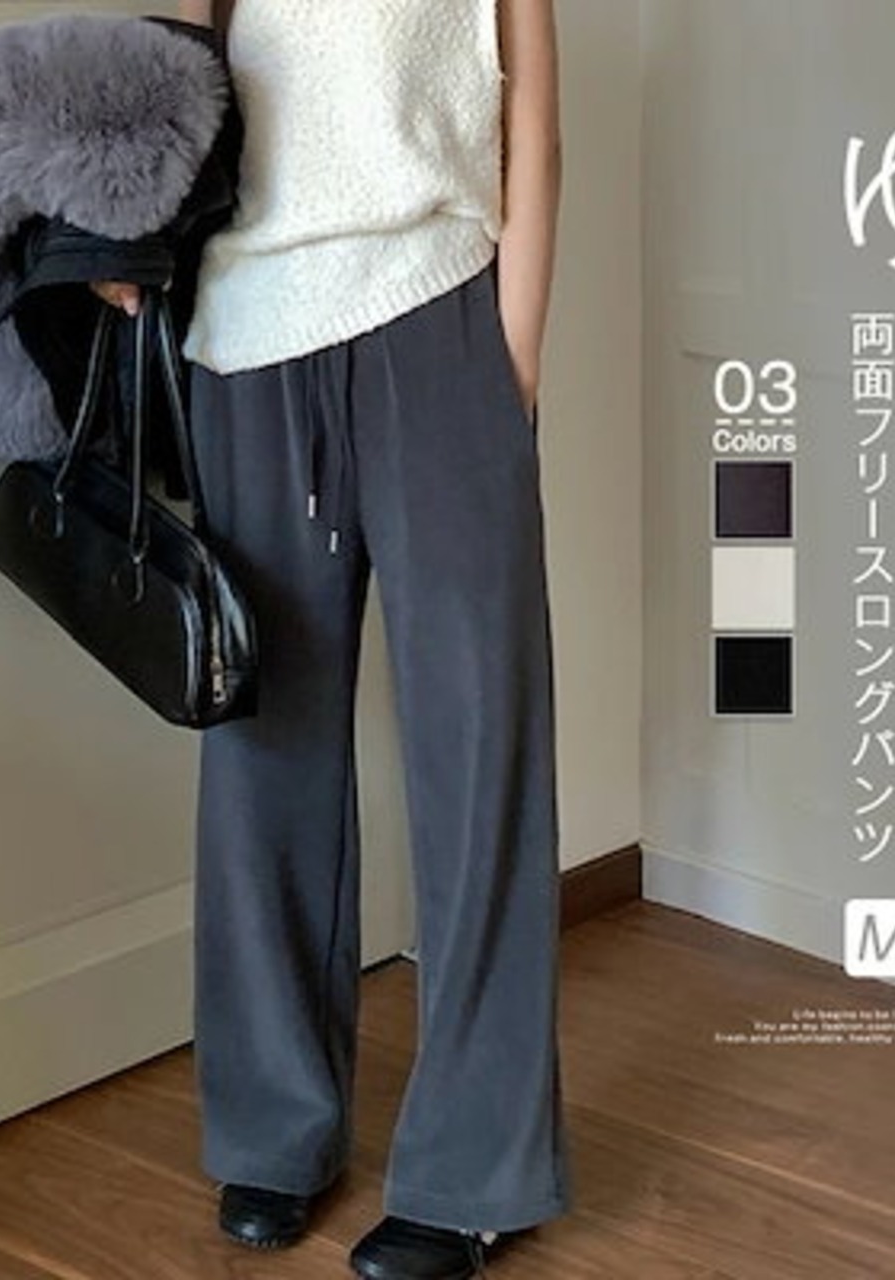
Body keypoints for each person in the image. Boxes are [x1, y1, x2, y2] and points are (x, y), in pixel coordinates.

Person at [91, 2, 569, 1277]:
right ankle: (275, 1129)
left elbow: (530, 116)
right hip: (247, 340)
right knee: (267, 751)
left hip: (441, 318)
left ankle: (473, 1170)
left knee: (480, 747)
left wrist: (511, 366)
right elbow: (162, 68)